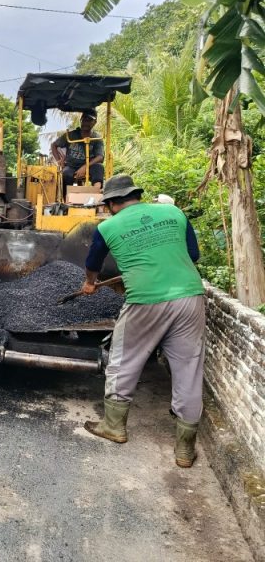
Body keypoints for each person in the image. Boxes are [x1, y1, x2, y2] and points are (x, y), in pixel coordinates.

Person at [80, 174, 205, 468]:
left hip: (146, 299)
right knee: (188, 368)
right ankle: (185, 450)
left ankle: (114, 427)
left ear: (111, 203)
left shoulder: (107, 226)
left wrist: (89, 284)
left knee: (124, 358)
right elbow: (193, 255)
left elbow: (92, 264)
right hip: (191, 296)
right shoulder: (173, 212)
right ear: (136, 195)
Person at [50, 109, 105, 196]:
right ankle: (66, 199)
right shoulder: (71, 135)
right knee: (66, 174)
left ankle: (97, 194)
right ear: (81, 120)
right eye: (84, 119)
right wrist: (58, 160)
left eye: (89, 120)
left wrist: (85, 167)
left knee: (99, 168)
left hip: (89, 166)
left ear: (94, 122)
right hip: (71, 166)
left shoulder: (97, 138)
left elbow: (100, 157)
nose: (86, 122)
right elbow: (54, 145)